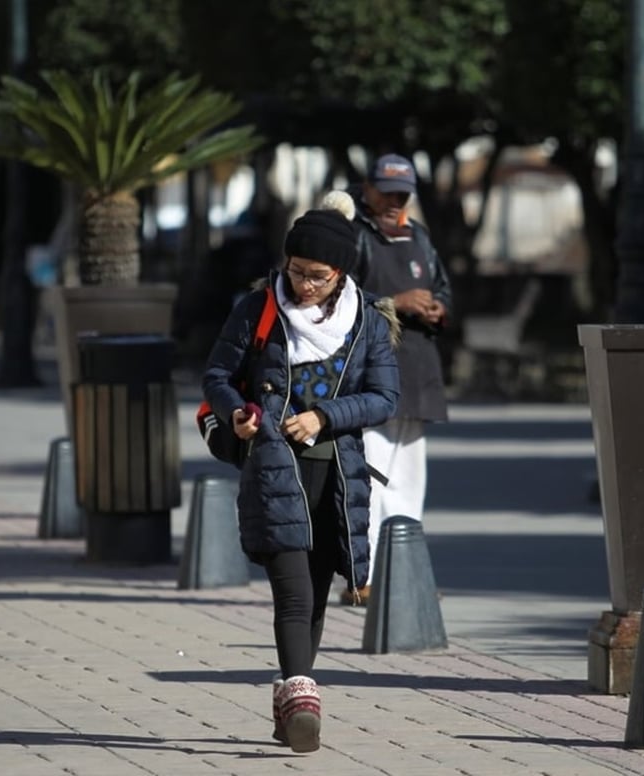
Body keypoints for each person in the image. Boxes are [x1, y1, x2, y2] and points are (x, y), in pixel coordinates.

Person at [202, 191, 399, 753]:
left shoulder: (367, 322)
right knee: (290, 594)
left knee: (313, 597)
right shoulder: (258, 307)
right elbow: (217, 374)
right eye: (295, 272)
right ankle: (305, 699)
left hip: (337, 481)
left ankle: (288, 704)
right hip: (272, 469)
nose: (304, 285)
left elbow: (385, 397)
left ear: (340, 274)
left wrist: (324, 416)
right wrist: (236, 413)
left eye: (317, 276)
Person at [346, 153, 453, 605]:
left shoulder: (420, 236)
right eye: (386, 191)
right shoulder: (352, 235)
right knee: (368, 477)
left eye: (402, 193)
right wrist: (395, 301)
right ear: (367, 189)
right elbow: (338, 299)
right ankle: (360, 577)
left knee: (409, 480)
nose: (394, 200)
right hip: (373, 371)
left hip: (419, 367)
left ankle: (404, 571)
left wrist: (437, 306)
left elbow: (443, 285)